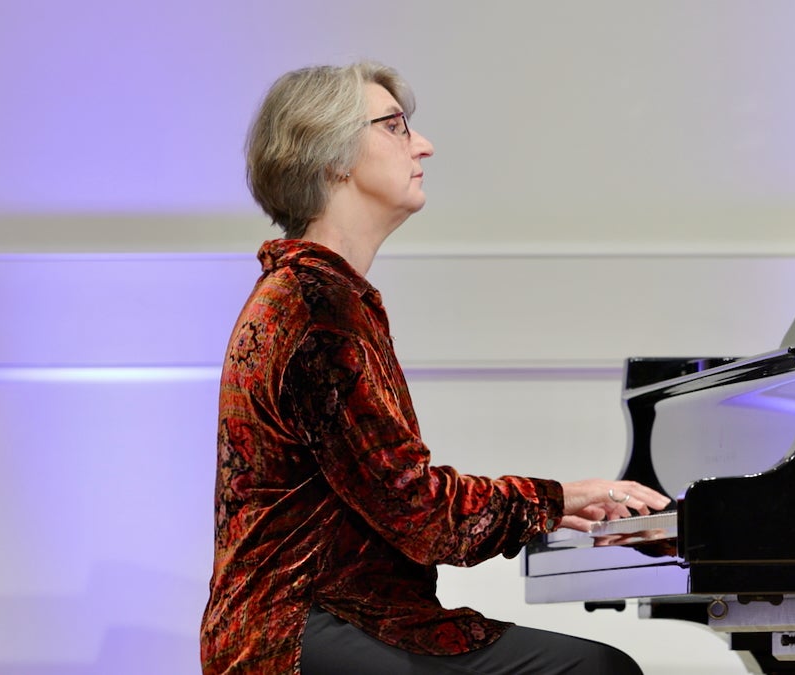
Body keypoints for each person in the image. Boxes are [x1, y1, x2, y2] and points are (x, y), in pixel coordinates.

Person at [199, 61, 671, 675]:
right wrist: (557, 499)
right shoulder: (316, 308)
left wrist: (551, 506)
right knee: (597, 672)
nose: (423, 144)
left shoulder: (315, 294)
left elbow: (400, 501)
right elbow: (419, 511)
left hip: (310, 618)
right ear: (332, 157)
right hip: (300, 629)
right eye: (394, 127)